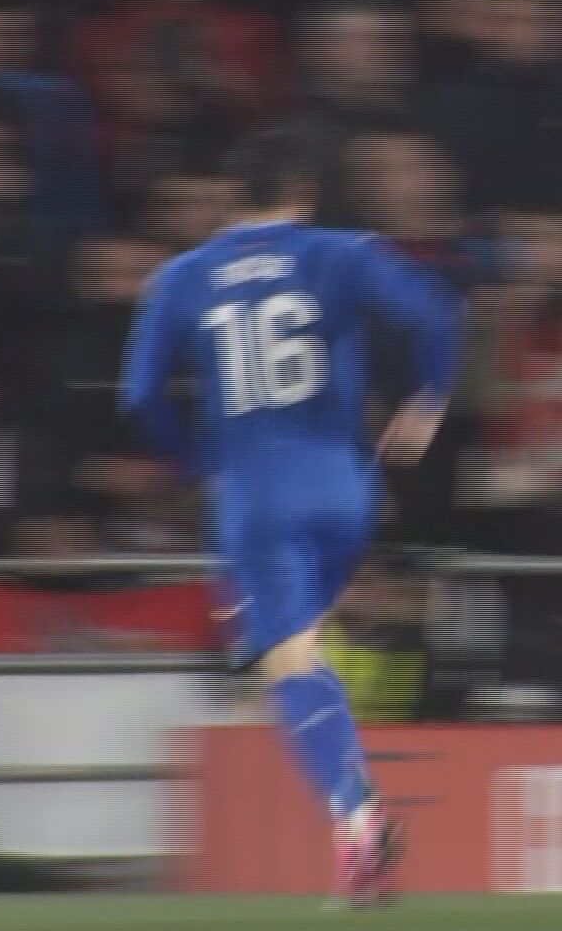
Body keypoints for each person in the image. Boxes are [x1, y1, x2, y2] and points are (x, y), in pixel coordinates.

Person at [120, 126, 459, 907]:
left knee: (290, 661)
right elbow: (437, 311)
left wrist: (194, 462)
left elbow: (138, 396)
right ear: (301, 195)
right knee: (300, 648)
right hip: (348, 482)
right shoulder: (342, 252)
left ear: (229, 199)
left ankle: (358, 821)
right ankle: (353, 829)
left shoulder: (180, 277)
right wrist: (425, 405)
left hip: (255, 489)